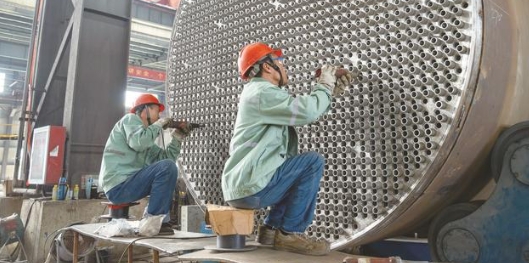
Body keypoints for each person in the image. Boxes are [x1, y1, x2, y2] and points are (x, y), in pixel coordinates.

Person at [221, 42, 353, 255]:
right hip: (250, 186)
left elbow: (304, 111)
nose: (284, 67)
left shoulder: (258, 92)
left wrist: (327, 93)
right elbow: (307, 112)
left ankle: (270, 230)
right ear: (267, 67)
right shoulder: (262, 92)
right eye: (280, 62)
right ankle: (288, 234)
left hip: (243, 185)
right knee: (312, 162)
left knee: (290, 170)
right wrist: (325, 85)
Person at [98, 93, 191, 235]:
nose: (159, 116)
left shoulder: (146, 138)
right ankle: (152, 222)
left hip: (129, 185)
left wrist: (177, 138)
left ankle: (157, 222)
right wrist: (158, 125)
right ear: (145, 109)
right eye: (157, 111)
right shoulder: (130, 120)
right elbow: (139, 142)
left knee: (167, 167)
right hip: (118, 186)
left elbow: (166, 160)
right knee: (166, 167)